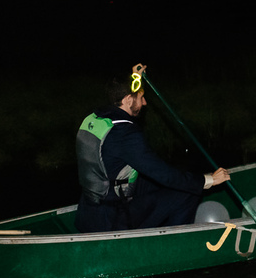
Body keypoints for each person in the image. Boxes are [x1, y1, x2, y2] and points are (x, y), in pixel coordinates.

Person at [75, 64, 230, 233]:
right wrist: (207, 181)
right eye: (141, 98)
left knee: (174, 178)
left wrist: (136, 78)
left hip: (90, 209)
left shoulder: (95, 119)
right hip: (113, 218)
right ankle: (173, 242)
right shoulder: (125, 134)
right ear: (127, 100)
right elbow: (162, 173)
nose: (145, 102)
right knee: (188, 190)